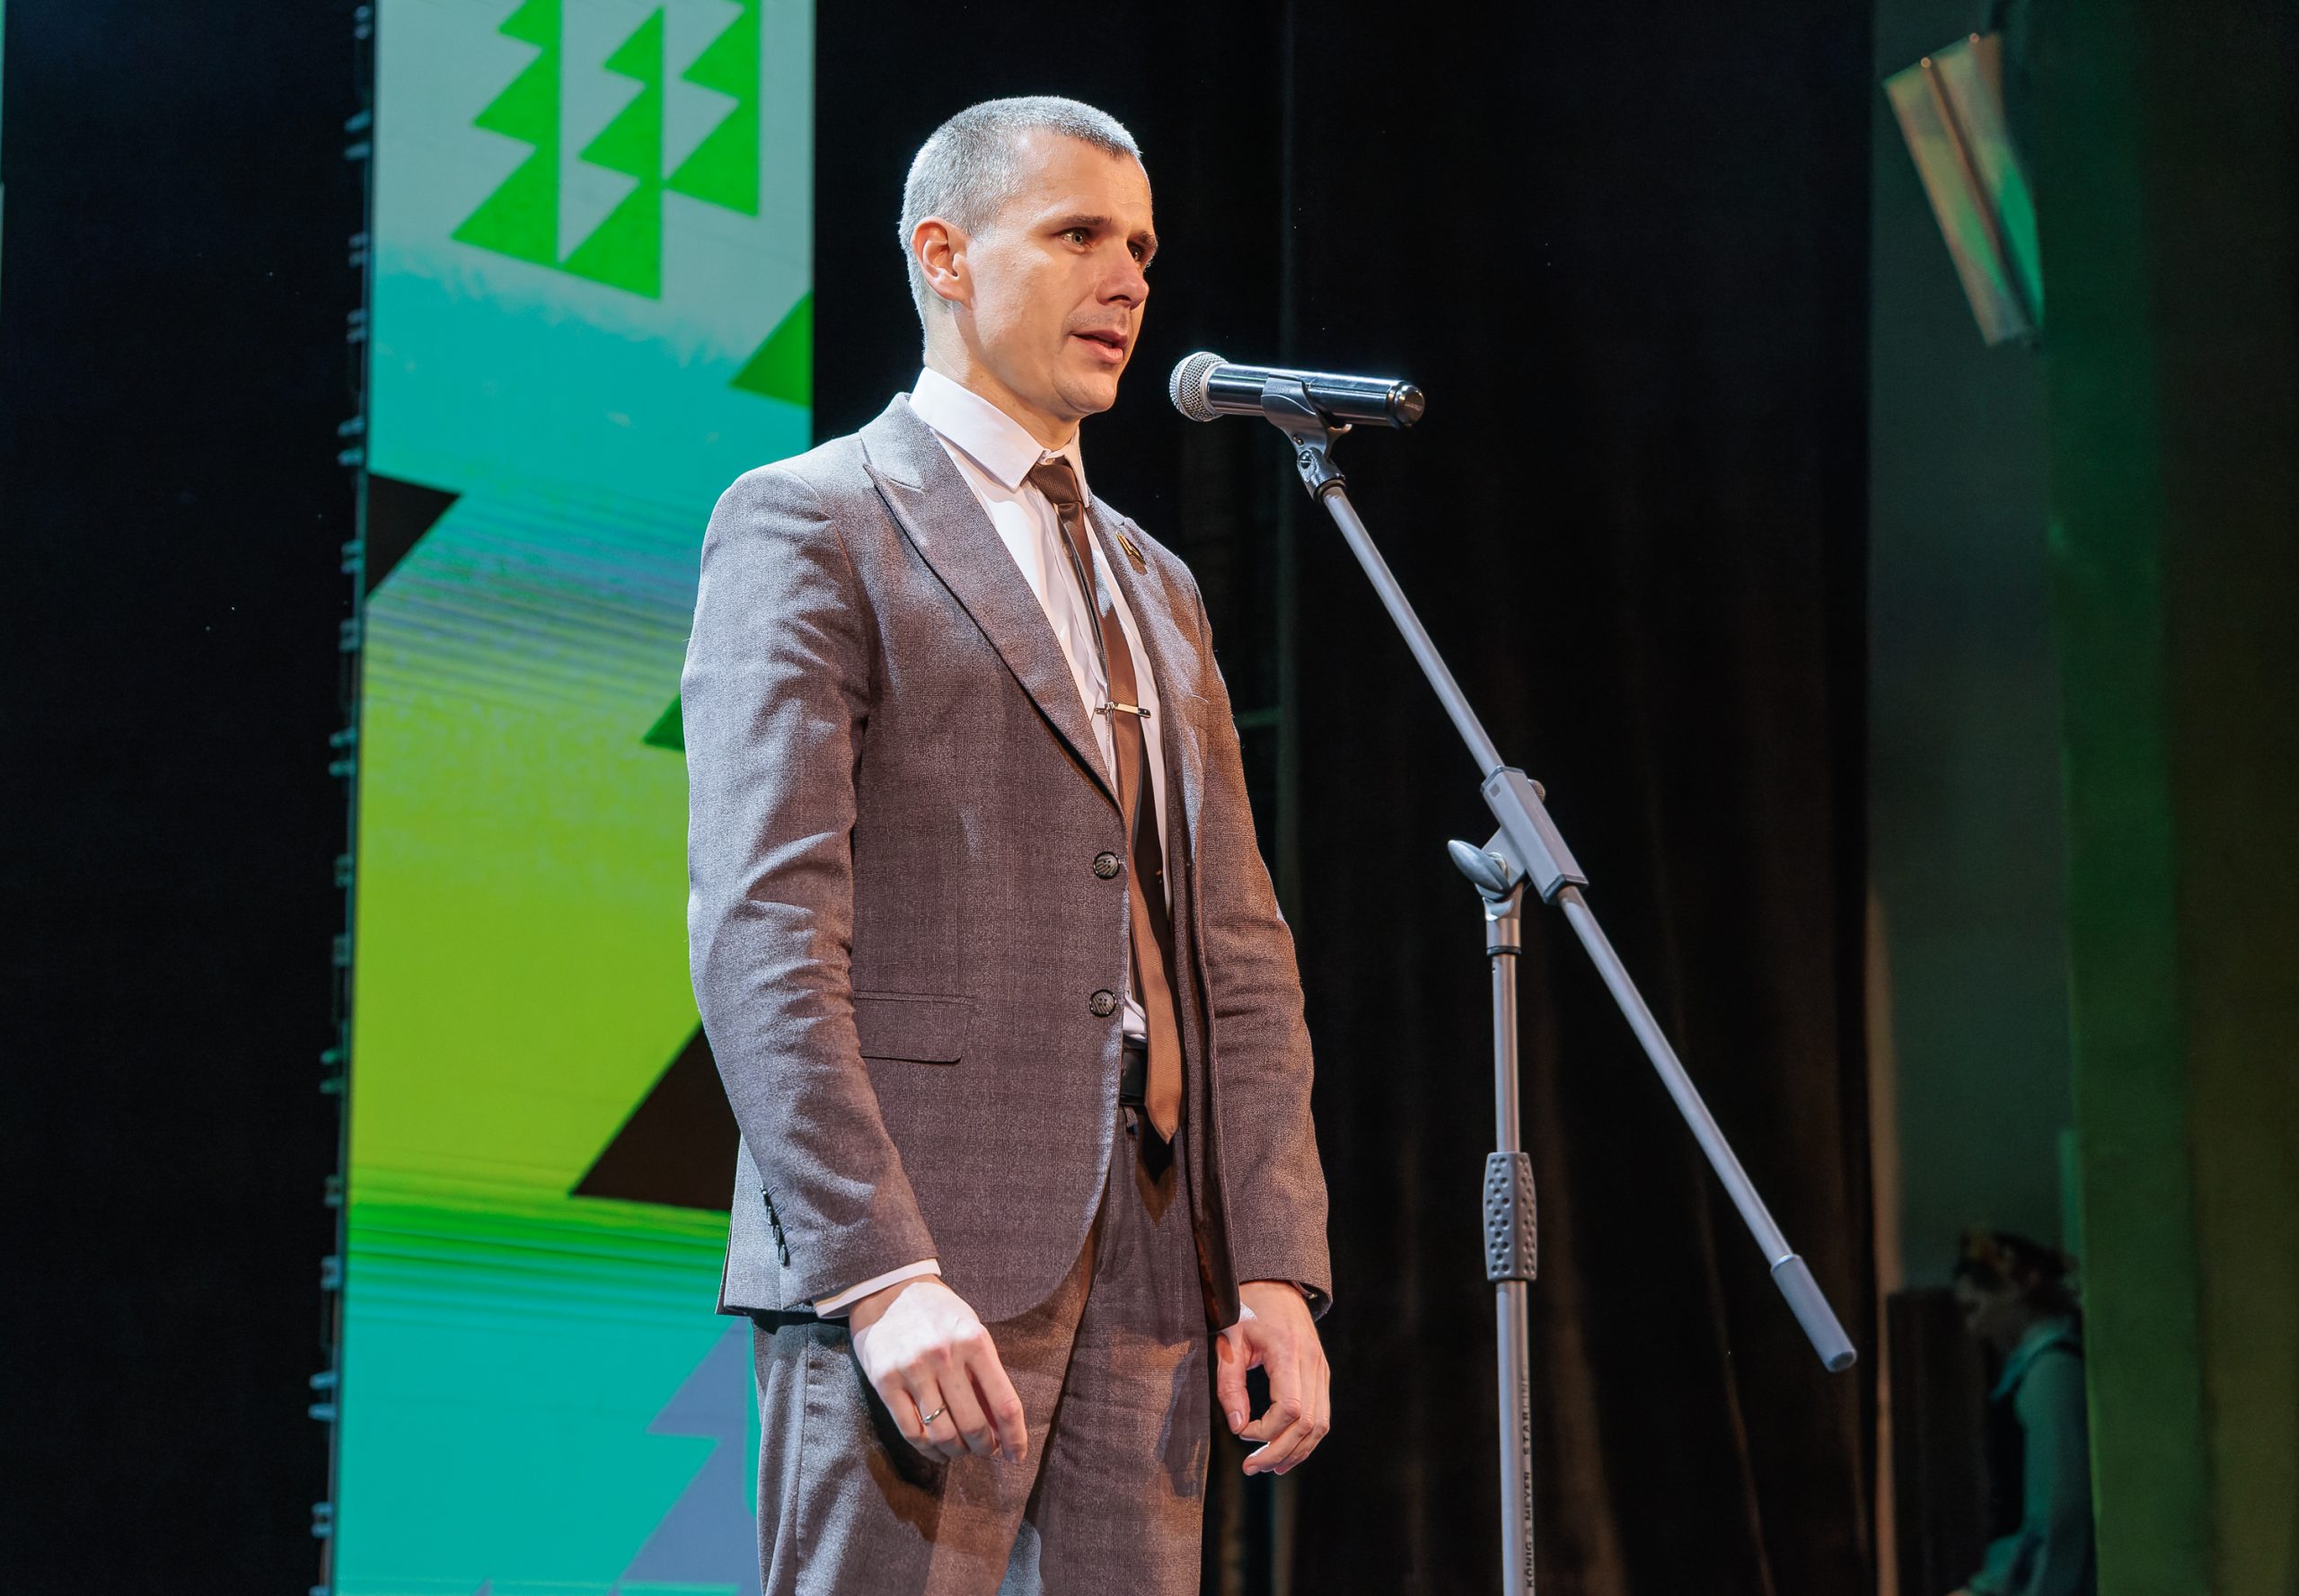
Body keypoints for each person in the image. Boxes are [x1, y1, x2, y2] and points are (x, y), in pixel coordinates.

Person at [680, 96, 1334, 1594]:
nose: (1127, 280)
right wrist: (875, 1270)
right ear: (947, 256)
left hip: (1157, 1270)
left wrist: (1275, 1259)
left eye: (1143, 249)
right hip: (922, 1255)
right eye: (1079, 234)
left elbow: (1236, 948)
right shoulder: (812, 521)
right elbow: (763, 927)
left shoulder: (1157, 585)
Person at [1948, 1230, 2096, 1596]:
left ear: (2014, 1289)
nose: (1973, 1327)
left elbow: (2060, 1511)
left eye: (1975, 1308)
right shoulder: (2030, 1372)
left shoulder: (2051, 1372)